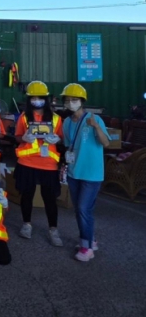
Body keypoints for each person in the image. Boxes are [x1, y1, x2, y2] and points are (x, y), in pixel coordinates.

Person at [61, 83, 109, 262]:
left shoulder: (94, 119)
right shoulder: (67, 122)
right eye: (67, 100)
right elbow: (68, 146)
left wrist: (96, 127)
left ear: (82, 101)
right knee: (81, 210)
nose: (71, 103)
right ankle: (90, 240)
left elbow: (106, 143)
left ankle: (86, 248)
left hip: (92, 174)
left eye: (74, 99)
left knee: (83, 209)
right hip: (74, 172)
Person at [14, 81, 64, 246]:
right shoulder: (24, 117)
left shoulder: (56, 119)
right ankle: (26, 224)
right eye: (33, 98)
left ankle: (53, 229)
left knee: (49, 198)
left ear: (46, 99)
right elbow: (17, 136)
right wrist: (24, 138)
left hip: (48, 163)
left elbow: (61, 139)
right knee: (26, 195)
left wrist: (57, 139)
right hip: (27, 162)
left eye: (40, 97)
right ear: (29, 99)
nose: (37, 100)